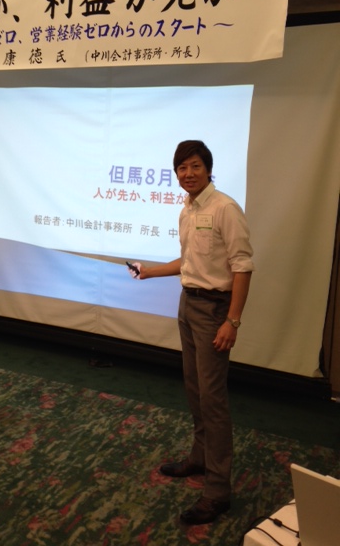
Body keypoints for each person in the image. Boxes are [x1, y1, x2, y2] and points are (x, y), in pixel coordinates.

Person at [128, 140, 254, 525]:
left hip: (215, 310)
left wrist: (232, 321)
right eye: (181, 168)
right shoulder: (187, 208)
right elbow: (189, 260)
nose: (188, 174)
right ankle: (199, 459)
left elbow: (242, 266)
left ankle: (217, 492)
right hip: (188, 304)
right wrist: (150, 272)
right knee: (195, 389)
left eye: (195, 166)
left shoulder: (225, 208)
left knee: (213, 401)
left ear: (208, 169)